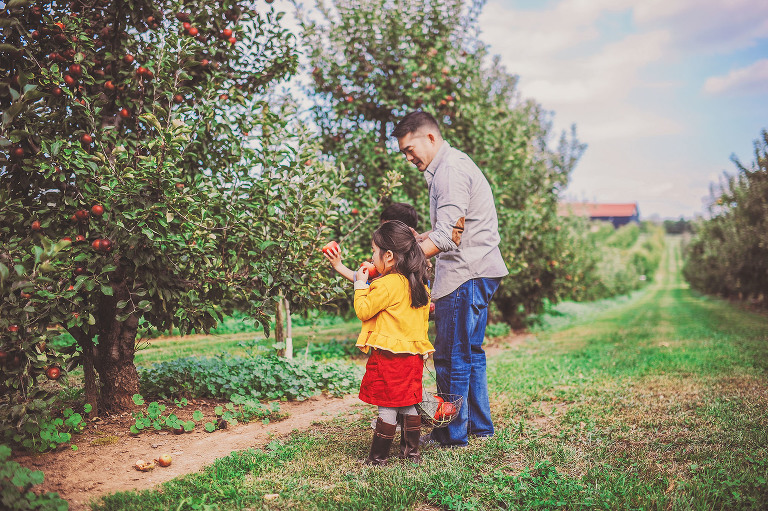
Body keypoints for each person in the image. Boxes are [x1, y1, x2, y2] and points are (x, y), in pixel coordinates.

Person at [391, 110, 508, 448]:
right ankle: (478, 427)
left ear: (430, 137)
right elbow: (454, 228)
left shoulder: (450, 172)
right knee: (470, 353)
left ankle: (451, 434)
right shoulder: (452, 166)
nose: (408, 157)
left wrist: (401, 262)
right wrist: (418, 239)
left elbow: (446, 238)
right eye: (403, 153)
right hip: (480, 268)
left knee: (451, 356)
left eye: (410, 149)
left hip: (464, 274)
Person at [352, 220, 434, 465]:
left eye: (374, 252)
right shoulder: (419, 284)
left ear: (388, 256)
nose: (372, 257)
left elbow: (364, 311)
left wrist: (359, 284)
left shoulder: (387, 284)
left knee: (387, 405)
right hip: (413, 357)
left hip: (390, 357)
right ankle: (412, 454)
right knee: (408, 403)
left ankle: (378, 459)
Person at [323, 202, 420, 282]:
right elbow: (368, 280)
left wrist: (359, 285)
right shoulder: (415, 263)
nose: (381, 231)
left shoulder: (393, 266)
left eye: (386, 228)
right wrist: (338, 265)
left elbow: (365, 300)